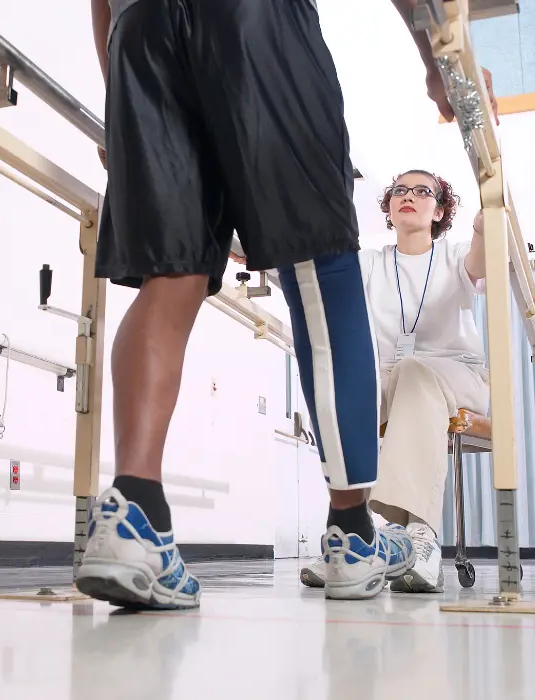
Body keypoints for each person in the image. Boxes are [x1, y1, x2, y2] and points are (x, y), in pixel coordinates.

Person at [77, 0, 497, 610]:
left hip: (139, 32)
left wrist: (119, 88)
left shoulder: (447, 256)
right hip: (254, 24)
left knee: (170, 277)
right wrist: (439, 60)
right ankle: (353, 537)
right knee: (322, 273)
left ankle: (132, 513)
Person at [300, 170, 489, 593]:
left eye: (423, 192)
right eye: (400, 190)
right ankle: (357, 534)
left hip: (458, 374)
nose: (410, 196)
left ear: (439, 211)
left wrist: (484, 225)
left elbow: (481, 259)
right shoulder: (370, 263)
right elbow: (316, 272)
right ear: (388, 207)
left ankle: (419, 535)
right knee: (346, 388)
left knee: (413, 371)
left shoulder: (455, 255)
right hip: (390, 378)